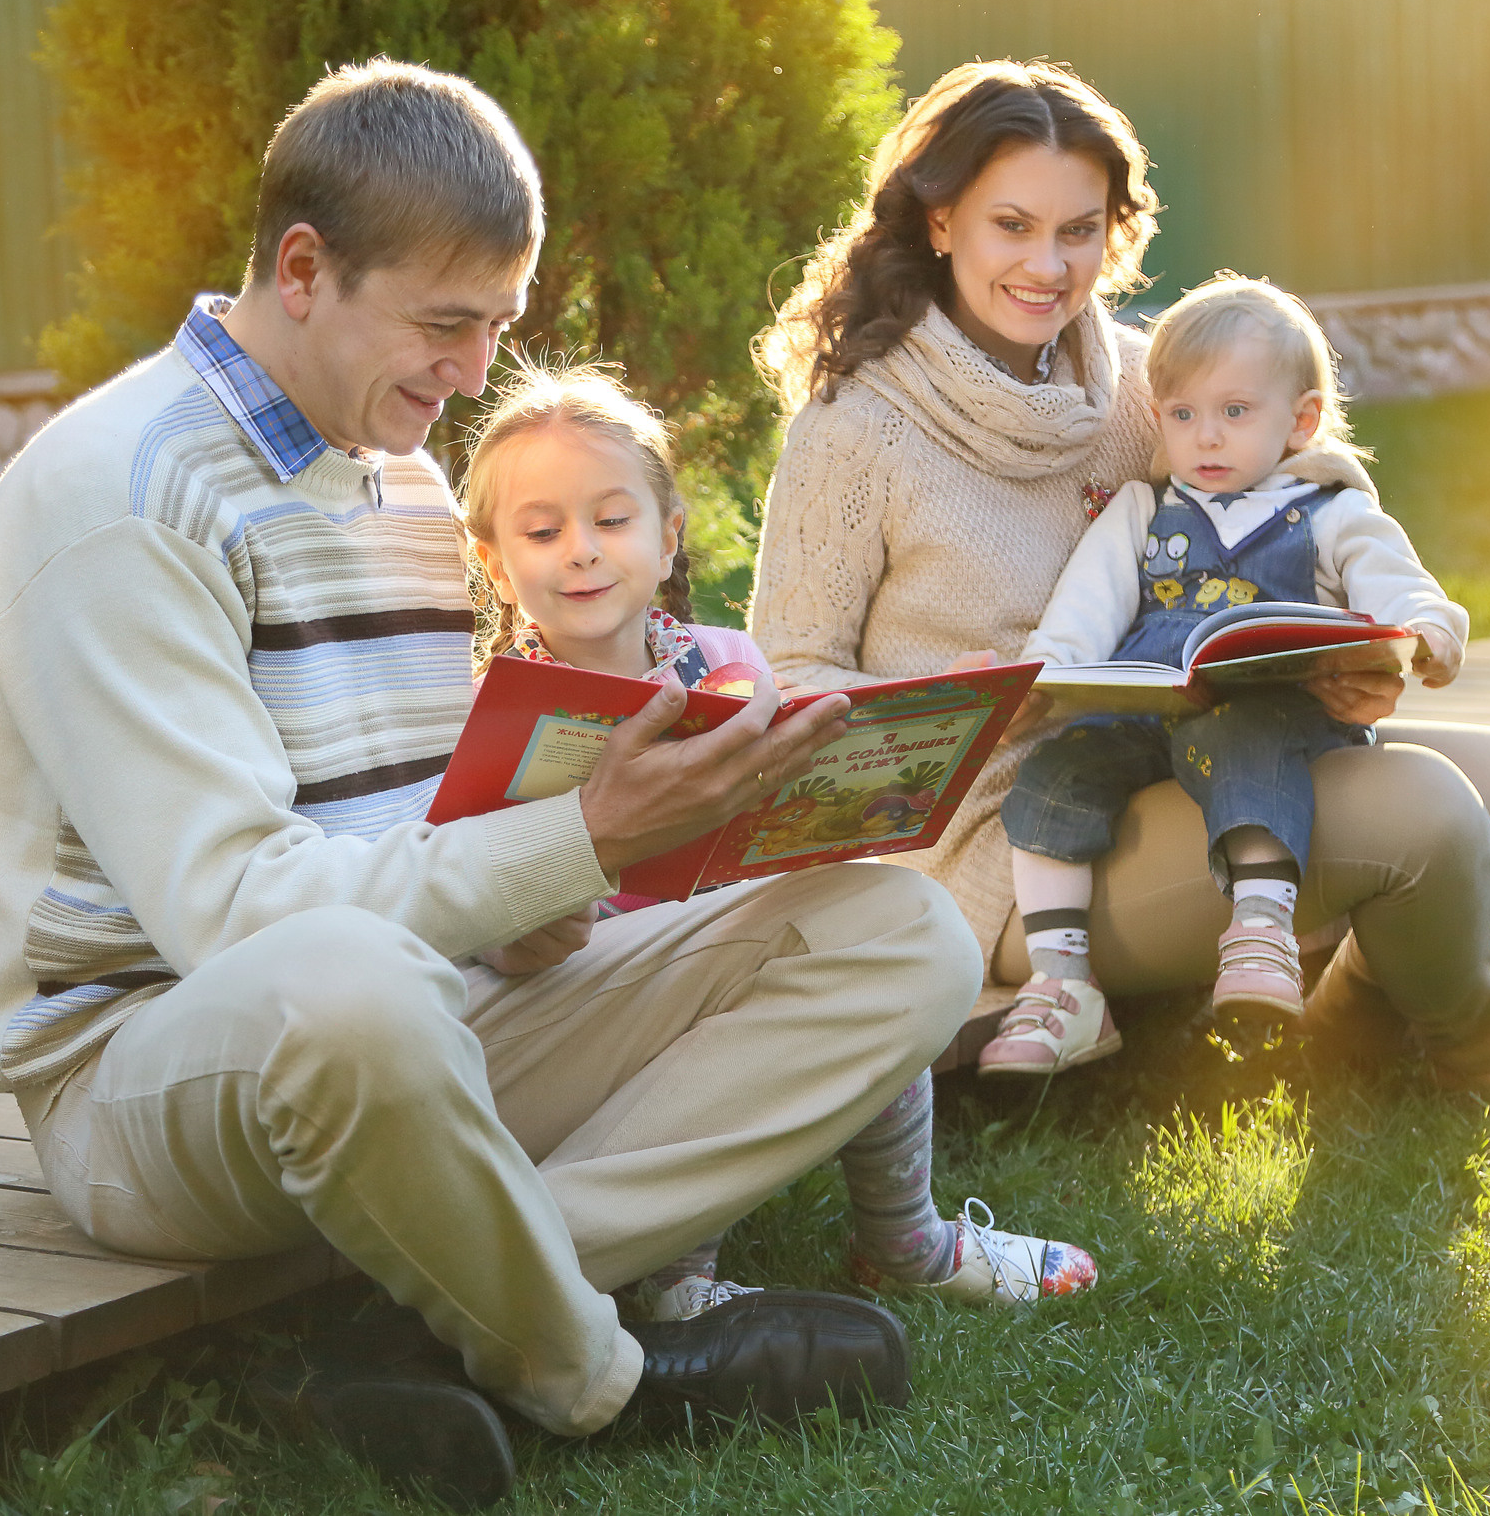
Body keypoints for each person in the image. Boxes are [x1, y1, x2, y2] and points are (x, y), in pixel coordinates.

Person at [0, 60, 983, 1507]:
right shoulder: (116, 498)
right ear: (303, 268)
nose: (477, 370)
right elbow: (233, 918)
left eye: (498, 321)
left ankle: (417, 1316)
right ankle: (599, 1371)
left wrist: (553, 888)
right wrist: (577, 837)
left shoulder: (403, 477)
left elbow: (439, 825)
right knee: (347, 982)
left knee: (898, 930)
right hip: (147, 1072)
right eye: (446, 321)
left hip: (426, 1008)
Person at [749, 58, 1490, 1114]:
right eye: (1012, 226)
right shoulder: (852, 431)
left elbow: (1301, 490)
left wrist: (1346, 655)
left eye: (1079, 230)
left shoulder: (1142, 383)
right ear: (940, 221)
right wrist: (954, 704)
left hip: (1196, 753)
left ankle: (1349, 1026)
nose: (1048, 265)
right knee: (1425, 819)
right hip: (1006, 837)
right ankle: (1488, 1049)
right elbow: (791, 684)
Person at [456, 358, 1098, 1309]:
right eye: (543, 531)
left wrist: (912, 736)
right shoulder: (498, 715)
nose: (582, 550)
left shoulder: (728, 664)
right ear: (496, 564)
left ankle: (904, 1238)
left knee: (875, 947)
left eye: (613, 519)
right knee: (707, 1015)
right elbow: (478, 905)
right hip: (584, 996)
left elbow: (801, 792)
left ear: (670, 536)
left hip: (738, 945)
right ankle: (674, 1272)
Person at [984, 274, 1472, 1073]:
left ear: (1301, 420)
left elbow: (1400, 584)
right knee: (1055, 774)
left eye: (1234, 412)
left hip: (1273, 714)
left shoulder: (1331, 511)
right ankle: (1064, 983)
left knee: (1246, 744)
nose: (1205, 438)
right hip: (1151, 706)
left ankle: (1260, 930)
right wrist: (1044, 678)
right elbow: (1083, 610)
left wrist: (1425, 633)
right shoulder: (1143, 510)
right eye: (1184, 415)